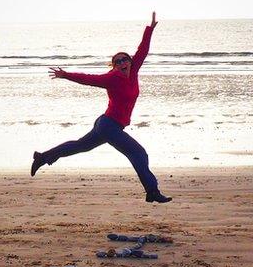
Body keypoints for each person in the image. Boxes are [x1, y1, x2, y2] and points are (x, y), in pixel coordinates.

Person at [30, 12, 172, 203]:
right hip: (108, 126)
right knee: (138, 153)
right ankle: (152, 191)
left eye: (125, 59)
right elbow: (88, 79)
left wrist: (150, 29)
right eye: (117, 62)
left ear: (130, 62)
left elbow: (142, 50)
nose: (122, 63)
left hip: (106, 124)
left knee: (80, 146)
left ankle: (43, 157)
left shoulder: (134, 71)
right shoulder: (111, 78)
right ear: (113, 67)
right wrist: (66, 75)